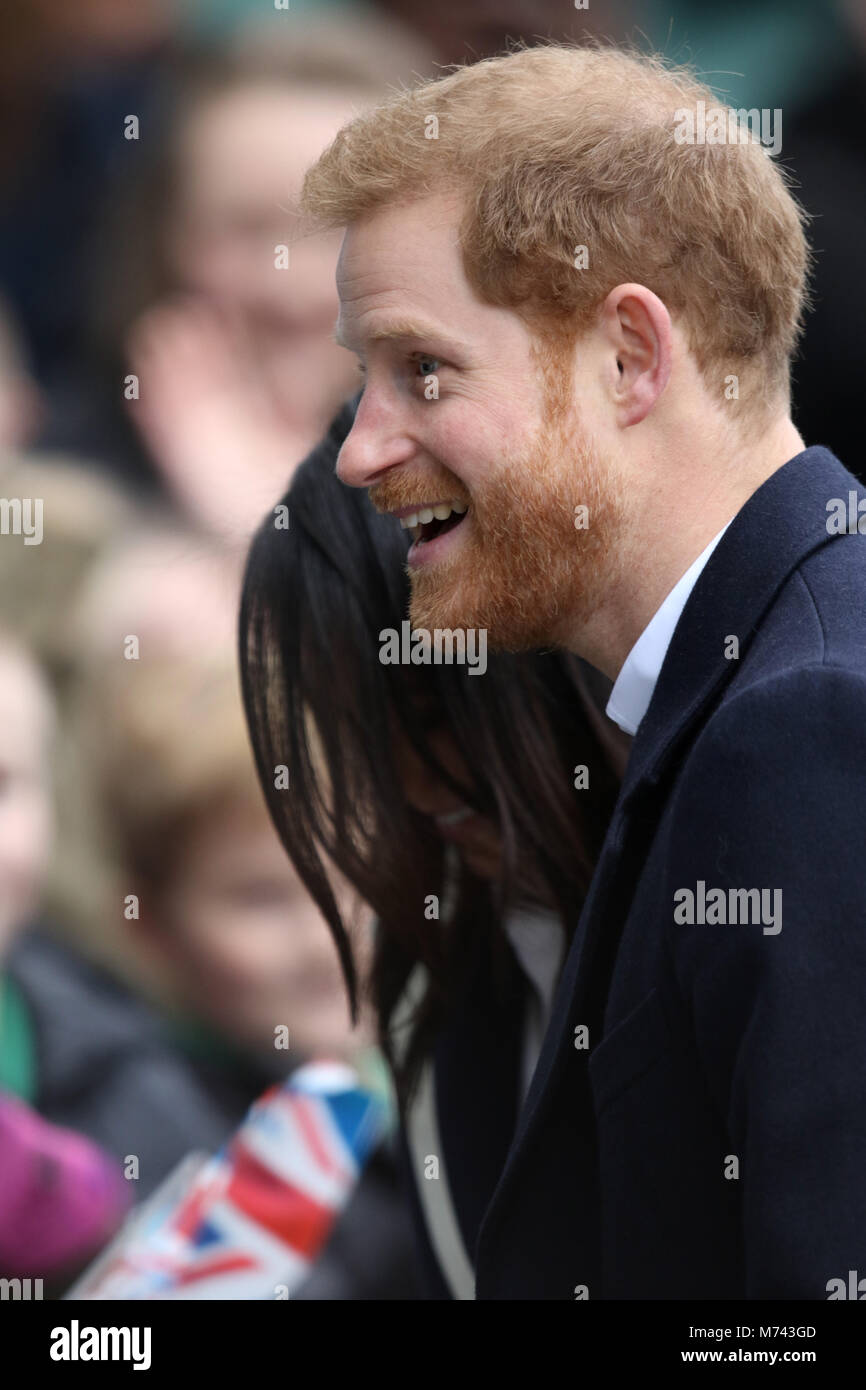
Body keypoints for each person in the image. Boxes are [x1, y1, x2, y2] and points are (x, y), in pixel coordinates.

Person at [294, 41, 866, 1298]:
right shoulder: (739, 693)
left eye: (420, 369)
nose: (357, 450)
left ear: (627, 358)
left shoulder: (808, 721)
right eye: (360, 379)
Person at [240, 395, 624, 1297]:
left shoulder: (711, 904)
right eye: (361, 739)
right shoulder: (446, 967)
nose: (409, 786)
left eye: (432, 719)